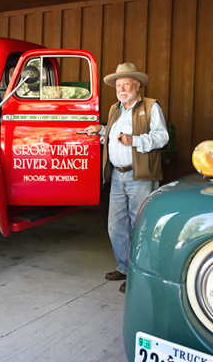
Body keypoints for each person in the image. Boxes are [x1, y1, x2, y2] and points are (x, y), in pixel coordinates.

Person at [85, 62, 169, 293]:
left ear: (137, 85)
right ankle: (124, 267)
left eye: (126, 84)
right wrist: (100, 130)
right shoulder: (115, 109)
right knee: (116, 226)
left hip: (139, 175)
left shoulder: (151, 107)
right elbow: (114, 136)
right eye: (118, 85)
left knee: (139, 225)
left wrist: (134, 140)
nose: (121, 89)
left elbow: (162, 137)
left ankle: (139, 273)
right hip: (117, 175)